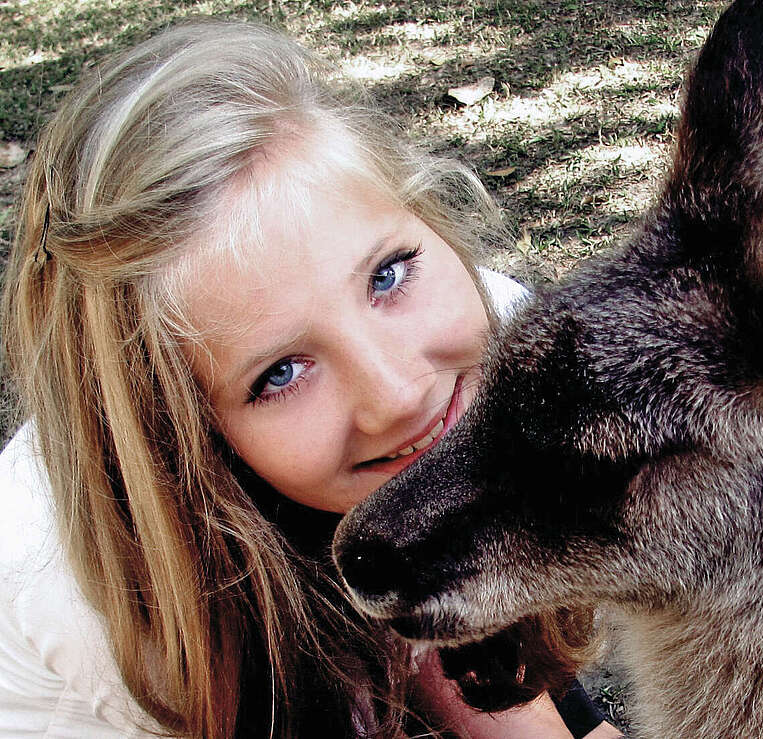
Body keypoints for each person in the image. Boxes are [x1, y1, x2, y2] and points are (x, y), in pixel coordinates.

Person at [0, 19, 622, 739]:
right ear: (185, 436)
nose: (395, 394)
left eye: (387, 275)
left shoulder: (493, 345)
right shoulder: (105, 605)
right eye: (281, 373)